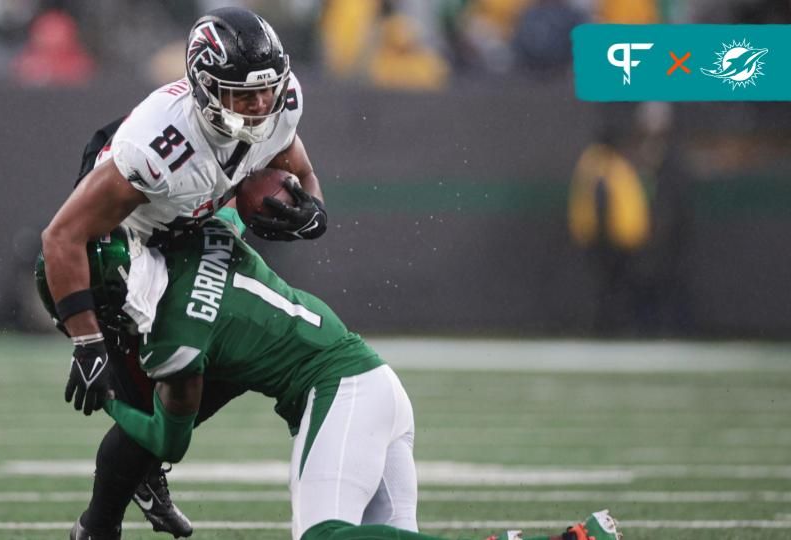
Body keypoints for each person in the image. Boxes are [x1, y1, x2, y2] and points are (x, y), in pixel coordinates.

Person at [81, 209, 622, 540]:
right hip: (375, 382)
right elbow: (233, 208)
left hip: (338, 389)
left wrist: (107, 394)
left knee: (323, 537)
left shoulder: (172, 341)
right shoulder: (203, 234)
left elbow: (167, 440)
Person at [39, 7, 328, 539]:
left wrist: (312, 211)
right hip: (129, 239)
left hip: (198, 223)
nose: (261, 104)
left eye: (266, 91)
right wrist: (86, 340)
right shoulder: (156, 146)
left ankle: (139, 473)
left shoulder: (279, 102)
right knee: (175, 378)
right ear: (203, 88)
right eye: (243, 94)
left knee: (234, 356)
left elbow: (301, 172)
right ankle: (104, 518)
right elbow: (61, 237)